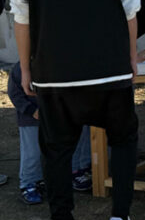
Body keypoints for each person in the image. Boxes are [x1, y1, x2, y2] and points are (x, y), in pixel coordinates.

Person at [10, 0, 143, 220]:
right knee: (123, 138)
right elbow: (131, 11)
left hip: (53, 73)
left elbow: (21, 19)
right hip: (109, 72)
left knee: (56, 149)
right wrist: (131, 57)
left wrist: (26, 68)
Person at [8, 64, 93, 204]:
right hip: (31, 119)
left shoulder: (58, 62)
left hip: (57, 115)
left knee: (70, 143)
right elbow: (15, 93)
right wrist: (31, 110)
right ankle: (30, 183)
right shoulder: (20, 69)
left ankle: (74, 172)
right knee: (33, 152)